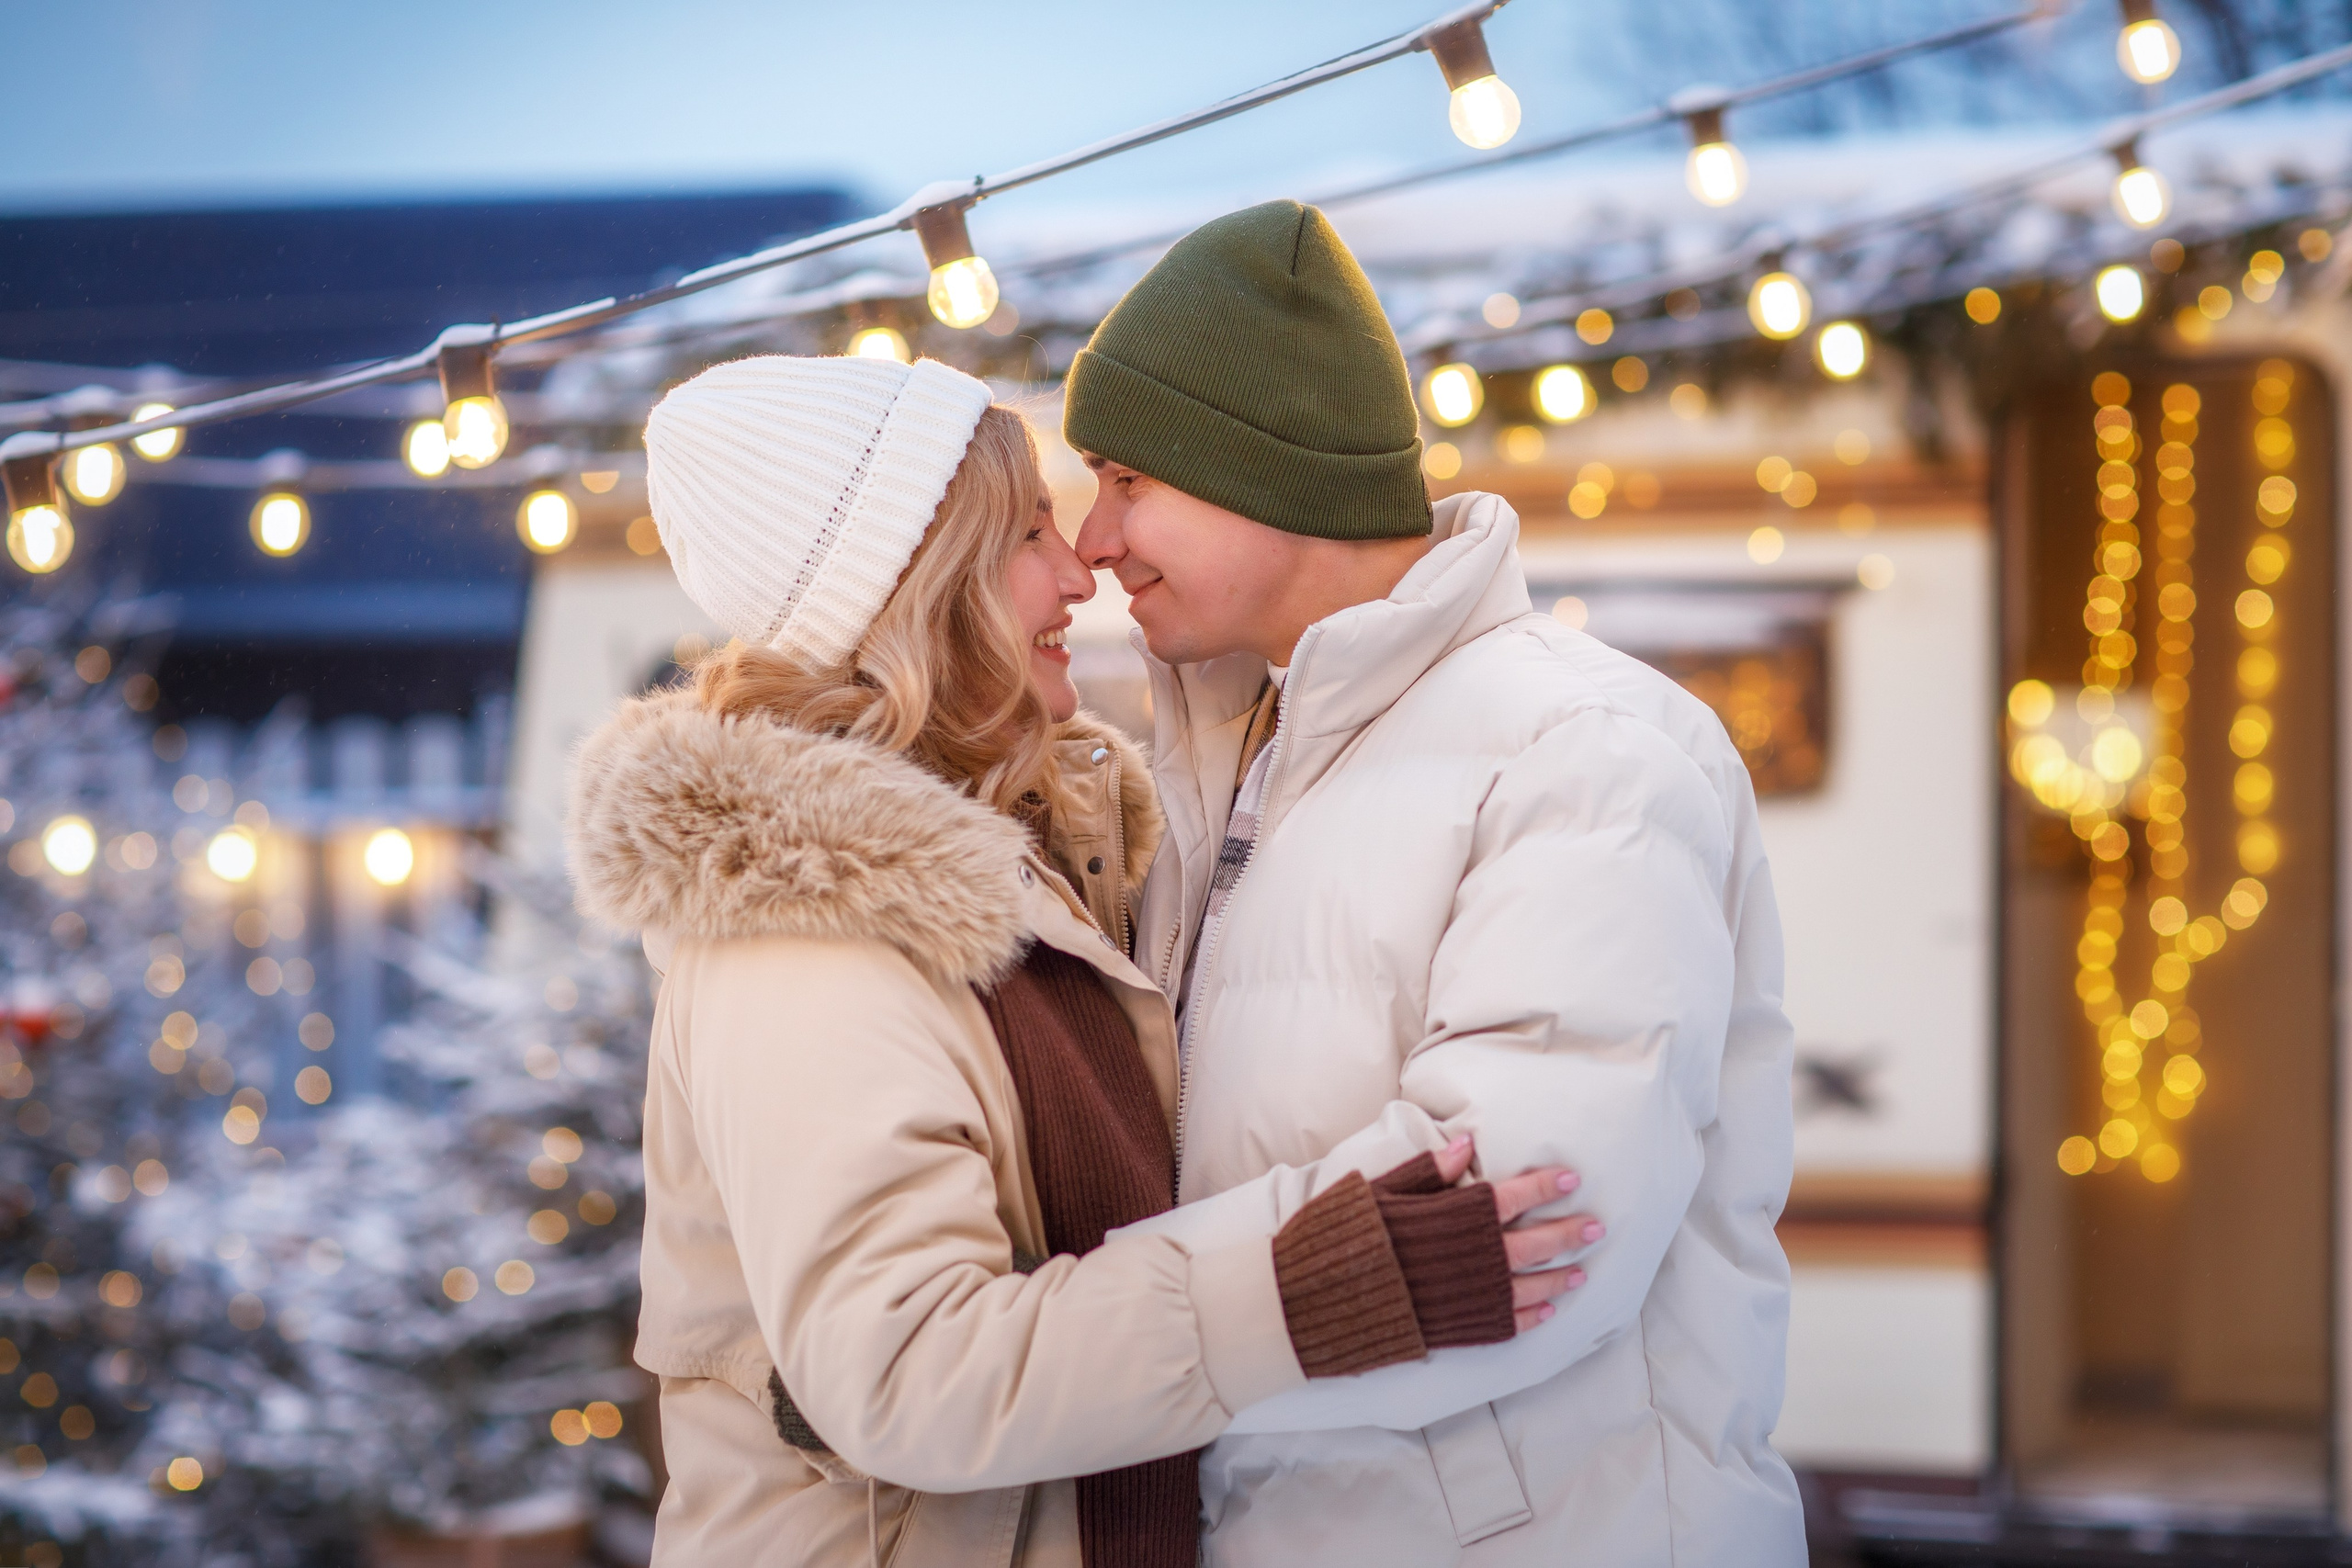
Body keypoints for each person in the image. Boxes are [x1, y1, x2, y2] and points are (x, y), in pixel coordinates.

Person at [565, 354, 1596, 1568]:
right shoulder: (802, 932)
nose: (1077, 571)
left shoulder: (1037, 867)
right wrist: (1298, 1298)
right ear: (912, 593)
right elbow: (909, 1370)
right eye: (1026, 535)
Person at [1062, 199, 1807, 1566]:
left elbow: (1525, 1226)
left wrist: (1058, 1352)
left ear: (1261, 466)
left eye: (1126, 478)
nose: (1092, 540)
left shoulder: (1582, 747)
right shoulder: (1231, 759)